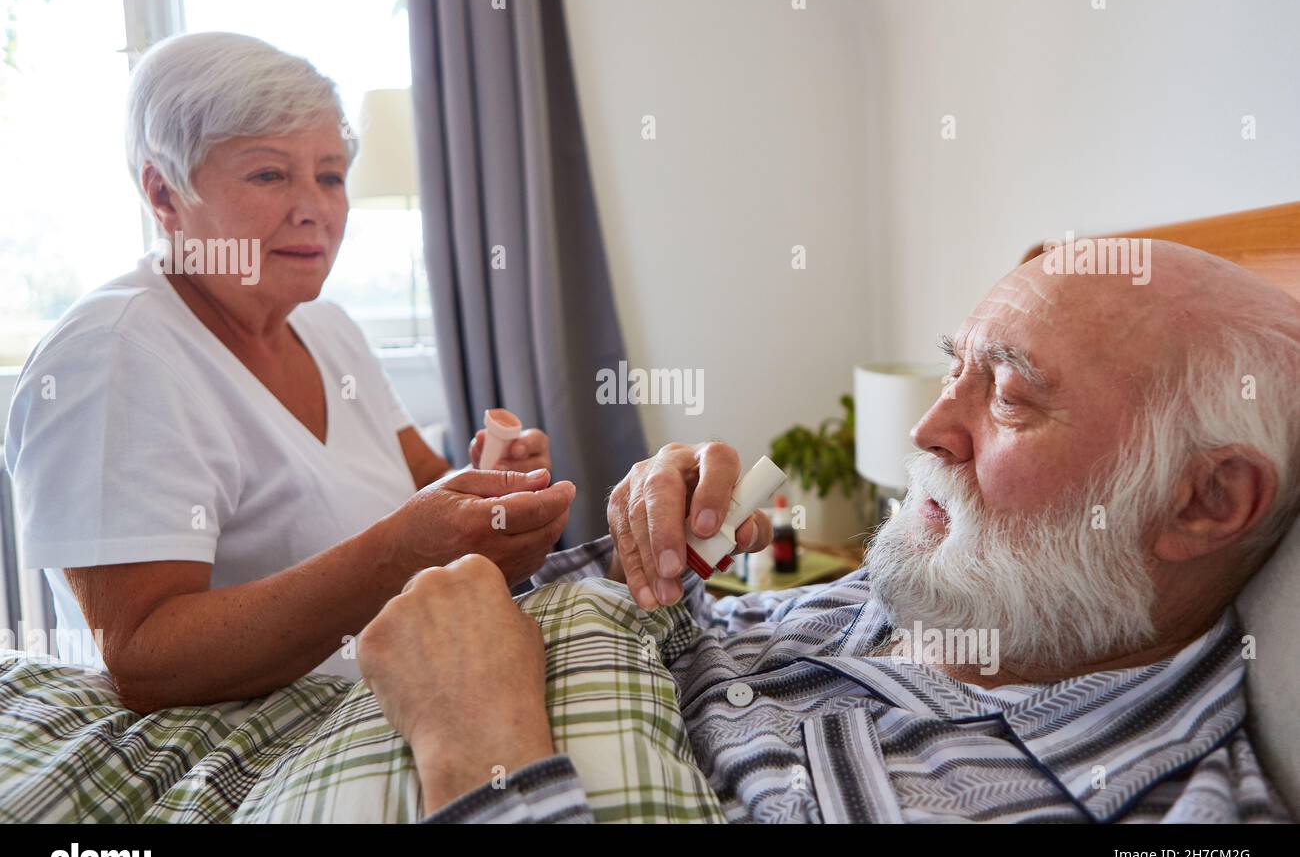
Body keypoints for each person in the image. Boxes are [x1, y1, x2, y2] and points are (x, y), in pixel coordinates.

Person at [358, 240, 1300, 822]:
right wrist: (650, 557)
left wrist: (478, 751)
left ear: (1206, 502)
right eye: (954, 371)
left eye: (1011, 395)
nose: (928, 430)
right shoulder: (951, 592)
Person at [3, 32, 573, 713]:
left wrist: (488, 487)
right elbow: (140, 660)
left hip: (400, 690)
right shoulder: (112, 353)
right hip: (247, 742)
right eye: (270, 175)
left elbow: (424, 484)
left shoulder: (328, 327)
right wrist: (399, 554)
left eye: (329, 176)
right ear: (164, 193)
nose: (315, 209)